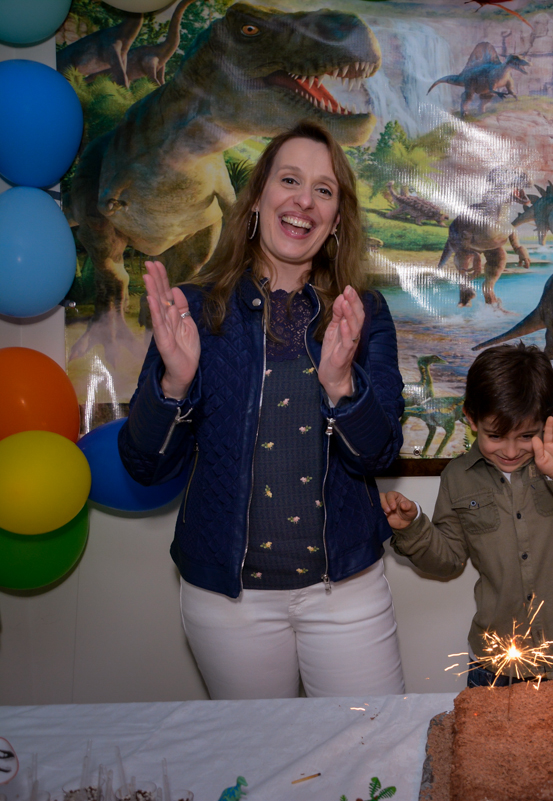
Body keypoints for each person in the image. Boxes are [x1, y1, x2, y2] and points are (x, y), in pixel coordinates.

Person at [119, 120, 406, 699]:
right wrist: (173, 382)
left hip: (346, 592)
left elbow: (380, 450)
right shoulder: (195, 310)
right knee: (255, 776)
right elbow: (145, 465)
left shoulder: (363, 312)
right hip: (229, 606)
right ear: (256, 200)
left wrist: (342, 386)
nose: (304, 199)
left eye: (324, 190)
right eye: (291, 180)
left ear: (336, 220)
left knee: (377, 764)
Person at [382, 343, 553, 688]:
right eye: (494, 436)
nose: (509, 450)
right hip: (494, 664)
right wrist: (413, 529)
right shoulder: (458, 477)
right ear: (471, 418)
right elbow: (448, 561)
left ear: (547, 420)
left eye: (525, 436)